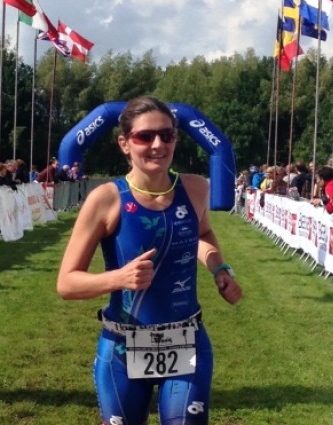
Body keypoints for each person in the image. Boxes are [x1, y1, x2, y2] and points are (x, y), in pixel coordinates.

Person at [55, 95, 243, 425]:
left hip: (186, 341)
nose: (158, 145)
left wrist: (219, 267)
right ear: (125, 144)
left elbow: (201, 235)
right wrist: (118, 278)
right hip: (122, 347)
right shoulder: (106, 199)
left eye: (167, 135)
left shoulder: (196, 188)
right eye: (145, 137)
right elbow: (66, 282)